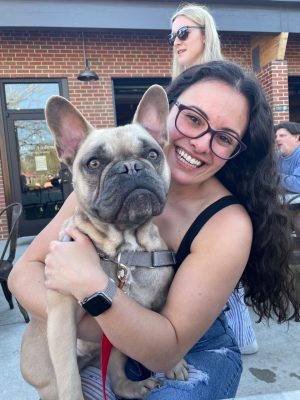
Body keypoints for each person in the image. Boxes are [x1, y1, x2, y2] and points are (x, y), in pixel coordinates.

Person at [9, 61, 299, 400]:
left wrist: (90, 287)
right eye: (193, 118)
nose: (201, 143)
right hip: (99, 342)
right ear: (166, 119)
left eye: (223, 137)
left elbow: (164, 351)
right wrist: (77, 320)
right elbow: (21, 276)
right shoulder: (94, 190)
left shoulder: (226, 223)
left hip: (189, 345)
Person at [170, 2, 258, 355]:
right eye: (172, 35)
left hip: (217, 205)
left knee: (222, 283)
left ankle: (236, 337)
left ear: (206, 34)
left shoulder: (226, 83)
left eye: (183, 32)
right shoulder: (178, 84)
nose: (175, 41)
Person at [275, 121, 300, 194]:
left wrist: (271, 175)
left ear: (296, 137)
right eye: (276, 136)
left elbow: (298, 184)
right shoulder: (276, 156)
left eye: (282, 136)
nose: (277, 139)